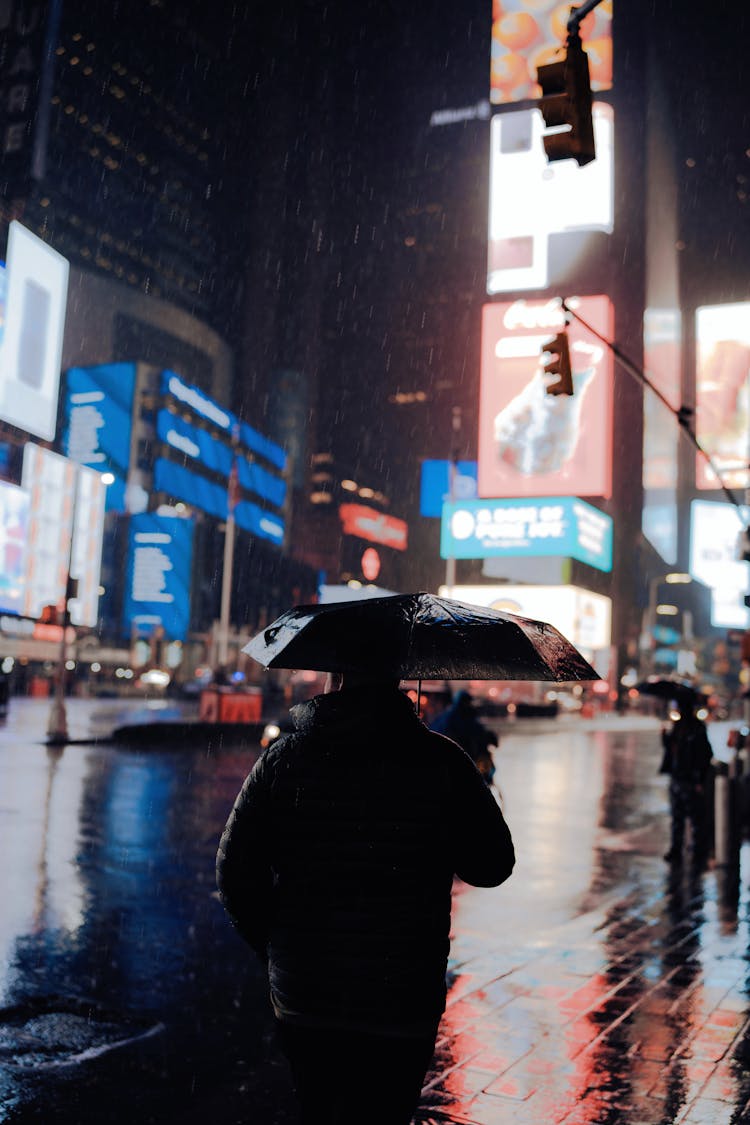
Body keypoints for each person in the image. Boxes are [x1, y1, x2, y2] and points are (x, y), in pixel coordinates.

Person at [216, 671, 515, 1125]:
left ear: (335, 677)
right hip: (401, 995)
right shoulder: (442, 762)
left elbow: (236, 873)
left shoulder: (285, 759)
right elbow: (492, 866)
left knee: (319, 1109)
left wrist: (276, 946)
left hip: (307, 990)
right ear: (397, 673)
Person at [659, 700, 714, 864]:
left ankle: (699, 853)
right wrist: (665, 737)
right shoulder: (678, 727)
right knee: (677, 818)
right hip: (677, 777)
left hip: (690, 779)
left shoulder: (697, 728)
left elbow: (705, 754)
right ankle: (676, 850)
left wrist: (699, 779)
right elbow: (671, 750)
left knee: (696, 818)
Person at [431, 689, 498, 786]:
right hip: (459, 767)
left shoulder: (448, 718)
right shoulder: (458, 719)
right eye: (467, 702)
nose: (469, 704)